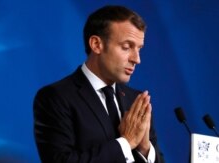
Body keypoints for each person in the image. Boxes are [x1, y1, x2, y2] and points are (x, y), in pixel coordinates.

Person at [33, 5, 164, 163]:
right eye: (126, 47)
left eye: (139, 49)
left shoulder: (136, 100)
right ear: (96, 44)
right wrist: (126, 143)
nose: (137, 59)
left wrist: (144, 148)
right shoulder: (55, 97)